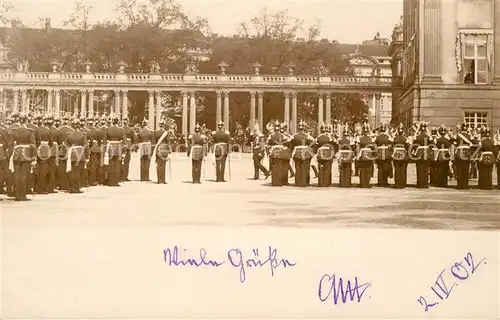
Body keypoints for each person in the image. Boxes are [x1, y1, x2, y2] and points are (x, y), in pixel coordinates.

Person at [9, 113, 36, 201]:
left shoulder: (14, 131)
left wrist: (11, 155)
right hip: (26, 155)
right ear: (26, 121)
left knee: (17, 175)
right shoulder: (29, 131)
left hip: (16, 154)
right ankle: (23, 195)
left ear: (19, 121)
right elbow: (33, 145)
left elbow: (10, 144)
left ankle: (17, 195)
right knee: (24, 175)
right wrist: (34, 157)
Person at [66, 118, 89, 193]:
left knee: (72, 171)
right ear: (79, 126)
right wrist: (87, 156)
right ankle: (77, 188)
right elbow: (86, 146)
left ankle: (72, 187)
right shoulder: (83, 134)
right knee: (78, 172)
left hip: (72, 153)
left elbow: (66, 145)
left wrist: (69, 151)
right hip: (80, 153)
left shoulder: (69, 134)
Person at [290, 120, 314, 187]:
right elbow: (313, 143)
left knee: (297, 168)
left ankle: (297, 182)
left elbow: (291, 144)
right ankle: (304, 182)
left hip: (297, 152)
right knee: (305, 167)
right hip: (305, 152)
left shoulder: (294, 136)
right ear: (304, 128)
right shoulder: (308, 136)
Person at [34, 114, 53, 194]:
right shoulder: (47, 130)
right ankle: (41, 189)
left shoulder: (34, 129)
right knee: (43, 170)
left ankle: (35, 187)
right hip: (44, 150)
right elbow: (51, 142)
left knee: (36, 169)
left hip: (35, 149)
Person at [104, 114, 125, 187]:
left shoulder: (108, 129)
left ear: (112, 121)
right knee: (117, 166)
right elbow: (124, 141)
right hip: (118, 148)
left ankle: (111, 181)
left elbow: (104, 140)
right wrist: (123, 150)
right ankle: (116, 181)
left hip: (110, 148)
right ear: (118, 121)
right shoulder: (121, 129)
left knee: (110, 165)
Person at [266, 120, 287, 186]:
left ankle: (274, 182)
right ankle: (279, 182)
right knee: (280, 167)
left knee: (274, 167)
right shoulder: (283, 135)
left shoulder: (271, 135)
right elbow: (287, 143)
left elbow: (267, 144)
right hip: (281, 152)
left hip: (273, 152)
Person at [57, 115, 74, 191]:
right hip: (68, 150)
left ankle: (61, 185)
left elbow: (57, 140)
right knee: (68, 167)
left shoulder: (59, 130)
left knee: (61, 168)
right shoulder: (71, 130)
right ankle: (68, 184)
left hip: (60, 150)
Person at [153, 119, 171, 184]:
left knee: (158, 165)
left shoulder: (156, 132)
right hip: (164, 150)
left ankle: (159, 180)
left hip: (158, 149)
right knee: (163, 165)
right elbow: (168, 143)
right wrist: (170, 152)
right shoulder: (166, 133)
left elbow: (154, 142)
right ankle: (163, 180)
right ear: (164, 125)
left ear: (159, 125)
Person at [454, 122, 472, 190]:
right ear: (467, 128)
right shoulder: (469, 136)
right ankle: (465, 185)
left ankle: (460, 185)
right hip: (467, 153)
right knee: (466, 169)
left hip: (459, 153)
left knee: (459, 170)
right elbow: (475, 142)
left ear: (461, 128)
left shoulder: (458, 135)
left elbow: (452, 141)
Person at [356, 124, 374, 188]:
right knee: (368, 169)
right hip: (369, 154)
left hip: (362, 154)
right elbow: (373, 148)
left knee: (362, 169)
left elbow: (357, 148)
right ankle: (367, 183)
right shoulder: (371, 139)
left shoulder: (359, 138)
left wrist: (357, 155)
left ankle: (362, 183)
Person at [392, 123, 409, 188]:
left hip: (396, 154)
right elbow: (408, 147)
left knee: (397, 169)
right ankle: (403, 184)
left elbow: (392, 147)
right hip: (403, 154)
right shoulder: (405, 138)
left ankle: (397, 183)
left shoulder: (394, 138)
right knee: (403, 169)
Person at [414, 122, 431, 188]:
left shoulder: (417, 137)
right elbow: (431, 143)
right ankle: (425, 184)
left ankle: (420, 184)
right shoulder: (427, 136)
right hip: (426, 153)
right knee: (426, 169)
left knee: (419, 168)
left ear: (420, 129)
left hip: (419, 153)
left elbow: (414, 145)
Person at [87, 117, 101, 186]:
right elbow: (99, 141)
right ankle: (92, 180)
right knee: (93, 165)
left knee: (86, 165)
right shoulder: (97, 131)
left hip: (86, 149)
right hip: (94, 149)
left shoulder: (85, 130)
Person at [121, 116, 136, 182]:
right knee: (126, 162)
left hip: (121, 146)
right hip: (128, 147)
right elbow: (133, 139)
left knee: (120, 162)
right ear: (128, 121)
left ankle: (120, 176)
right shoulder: (130, 130)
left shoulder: (121, 129)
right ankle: (125, 176)